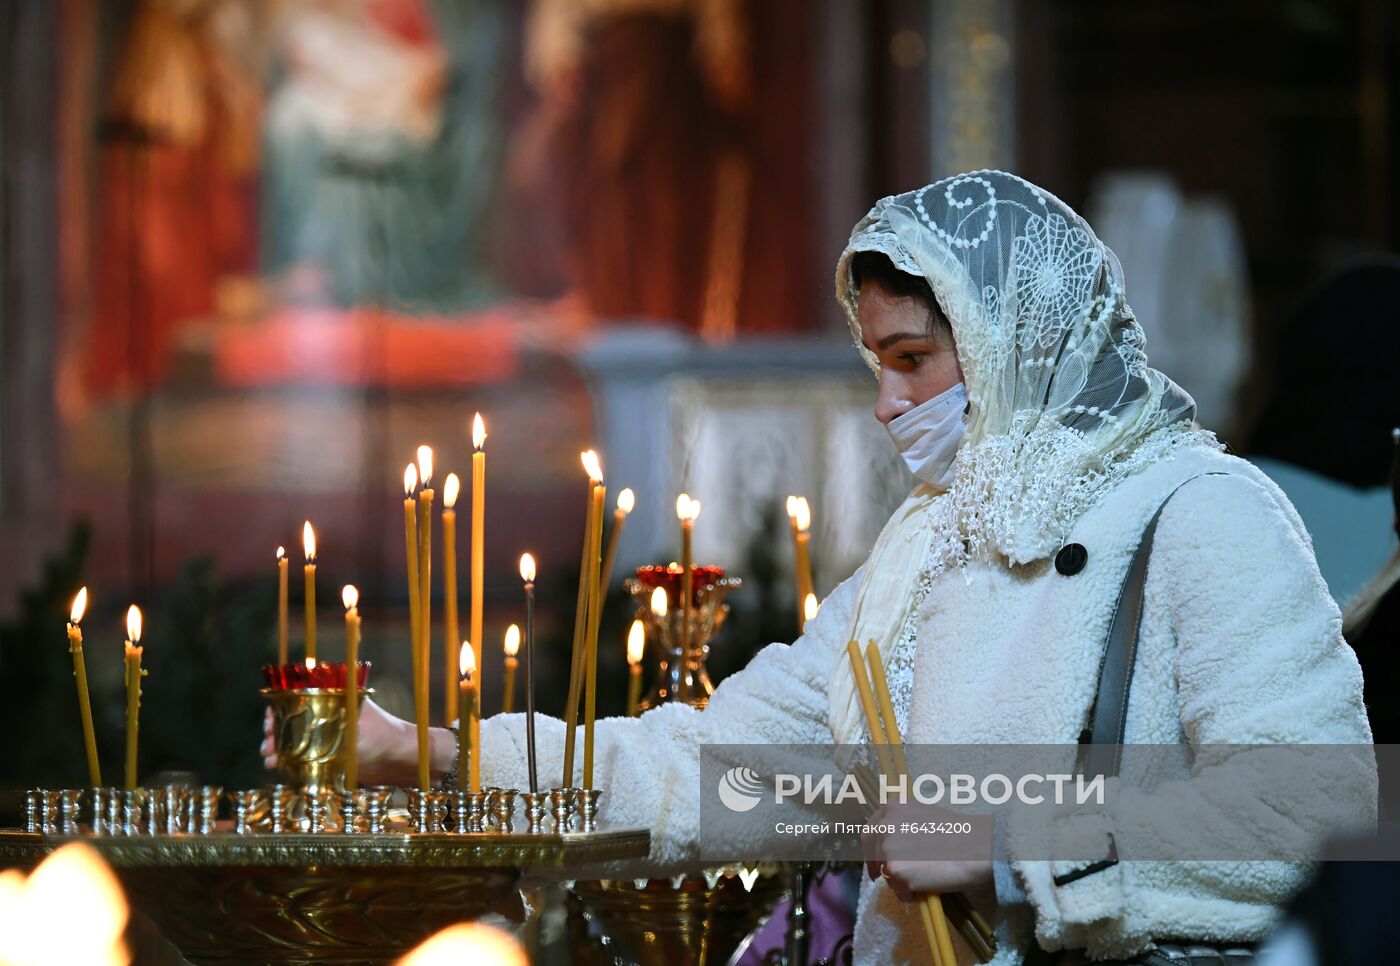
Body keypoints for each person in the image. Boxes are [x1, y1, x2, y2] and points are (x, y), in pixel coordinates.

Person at [264, 171, 1373, 962]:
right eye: (874, 365)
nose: (887, 404)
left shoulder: (1200, 512)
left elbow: (1312, 813)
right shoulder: (922, 547)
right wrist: (442, 755)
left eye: (912, 362)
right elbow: (725, 762)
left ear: (1011, 345)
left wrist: (1004, 846)